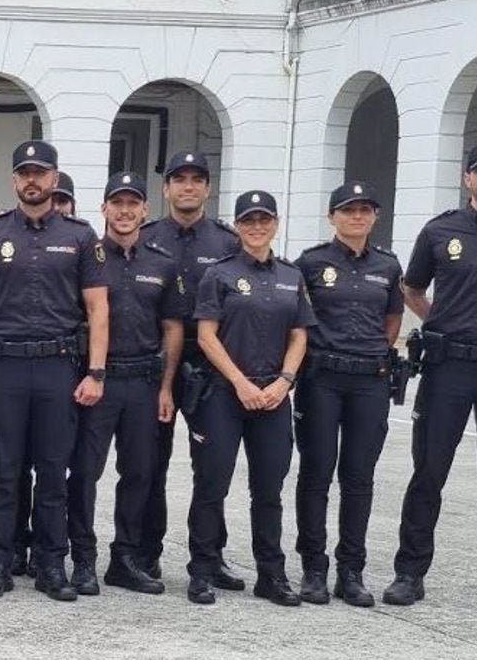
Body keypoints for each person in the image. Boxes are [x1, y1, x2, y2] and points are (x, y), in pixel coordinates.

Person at [0, 141, 108, 601]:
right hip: (5, 366)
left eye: (40, 172)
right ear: (14, 179)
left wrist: (96, 372)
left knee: (52, 470)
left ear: (55, 177)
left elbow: (98, 309)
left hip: (58, 367)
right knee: (4, 470)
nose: (32, 179)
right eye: (24, 172)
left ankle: (51, 564)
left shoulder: (82, 237)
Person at [389, 139, 477, 616]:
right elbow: (412, 287)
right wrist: (438, 321)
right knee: (428, 471)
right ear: (468, 178)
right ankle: (409, 573)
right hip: (448, 368)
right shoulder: (439, 230)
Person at [186, 190, 313, 606]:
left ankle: (271, 575)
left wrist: (285, 381)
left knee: (269, 491)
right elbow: (206, 335)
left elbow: (300, 334)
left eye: (264, 220)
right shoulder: (219, 274)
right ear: (238, 226)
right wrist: (240, 382)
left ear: (275, 223)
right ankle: (202, 571)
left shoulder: (292, 276)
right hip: (226, 394)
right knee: (211, 485)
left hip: (273, 398)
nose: (257, 227)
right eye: (248, 221)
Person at [65, 172, 184, 595]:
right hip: (98, 381)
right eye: (117, 203)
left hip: (143, 383)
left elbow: (172, 329)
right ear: (104, 209)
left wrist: (166, 387)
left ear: (145, 210)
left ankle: (125, 558)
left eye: (133, 203)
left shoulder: (163, 262)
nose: (125, 211)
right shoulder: (87, 256)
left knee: (138, 473)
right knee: (84, 472)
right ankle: (82, 559)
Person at [289, 183, 403, 608]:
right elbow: (298, 320)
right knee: (316, 473)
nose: (357, 217)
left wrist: (373, 352)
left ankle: (350, 571)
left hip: (369, 381)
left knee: (359, 477)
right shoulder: (311, 263)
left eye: (364, 210)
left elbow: (392, 320)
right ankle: (313, 568)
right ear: (332, 217)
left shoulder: (388, 266)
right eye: (348, 210)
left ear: (374, 217)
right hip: (322, 379)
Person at [140, 151, 243, 589]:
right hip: (155, 363)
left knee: (212, 467)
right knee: (149, 464)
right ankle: (146, 553)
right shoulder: (145, 237)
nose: (187, 186)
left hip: (208, 367)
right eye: (178, 179)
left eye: (196, 179)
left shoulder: (227, 242)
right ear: (165, 188)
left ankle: (210, 555)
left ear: (208, 188)